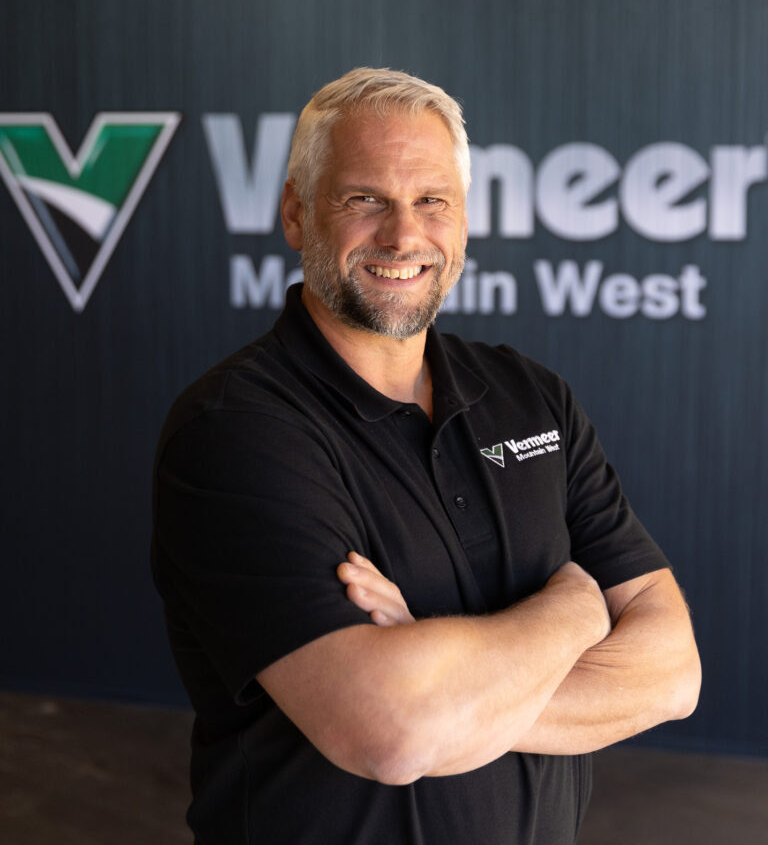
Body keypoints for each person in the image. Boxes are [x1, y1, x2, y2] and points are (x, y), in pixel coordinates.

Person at [152, 67, 701, 845]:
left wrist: (445, 685)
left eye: (431, 201)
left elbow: (672, 674)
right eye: (364, 199)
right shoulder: (235, 430)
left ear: (464, 218)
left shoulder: (532, 397)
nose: (404, 235)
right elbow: (393, 732)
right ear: (296, 212)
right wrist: (575, 609)